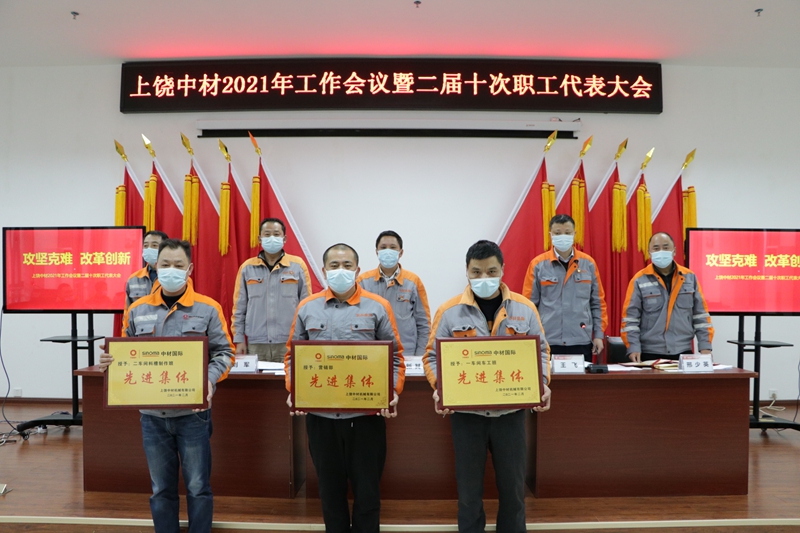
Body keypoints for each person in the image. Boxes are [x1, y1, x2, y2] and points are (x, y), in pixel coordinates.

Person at [98, 239, 234, 533]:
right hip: (152, 417)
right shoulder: (137, 309)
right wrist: (111, 360)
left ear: (190, 268)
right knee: (160, 488)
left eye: (178, 265)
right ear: (155, 267)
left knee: (198, 486)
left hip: (193, 415)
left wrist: (209, 380)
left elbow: (225, 353)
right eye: (165, 264)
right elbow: (126, 353)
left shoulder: (208, 308)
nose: (171, 270)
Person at [423, 240, 551, 533]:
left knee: (514, 492)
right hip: (467, 417)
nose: (484, 278)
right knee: (468, 494)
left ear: (502, 269)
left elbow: (542, 352)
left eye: (491, 271)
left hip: (511, 415)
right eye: (476, 272)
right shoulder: (449, 311)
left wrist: (542, 383)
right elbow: (432, 356)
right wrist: (441, 387)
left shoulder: (525, 308)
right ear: (467, 272)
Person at [285, 243, 404, 533]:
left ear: (357, 270)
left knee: (368, 494)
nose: (341, 271)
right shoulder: (307, 307)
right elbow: (291, 356)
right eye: (334, 266)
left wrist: (391, 392)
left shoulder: (378, 306)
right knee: (330, 493)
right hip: (321, 419)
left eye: (347, 265)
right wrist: (295, 389)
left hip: (366, 418)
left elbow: (395, 357)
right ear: (324, 271)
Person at [522, 214, 607, 363]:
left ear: (574, 234)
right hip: (548, 340)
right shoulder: (538, 265)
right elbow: (528, 306)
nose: (563, 236)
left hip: (581, 340)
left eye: (567, 232)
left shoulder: (588, 263)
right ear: (550, 235)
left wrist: (599, 335)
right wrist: (529, 337)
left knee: (580, 379)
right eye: (558, 233)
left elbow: (598, 303)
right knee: (548, 378)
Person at [621, 232, 714, 362]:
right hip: (649, 353)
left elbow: (701, 316)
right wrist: (633, 347)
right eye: (656, 248)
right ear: (649, 252)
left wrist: (705, 347)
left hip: (683, 351)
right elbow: (630, 319)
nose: (661, 252)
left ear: (674, 251)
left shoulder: (689, 277)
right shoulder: (639, 280)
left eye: (665, 247)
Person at [232, 217, 311, 362]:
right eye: (267, 234)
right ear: (260, 239)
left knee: (289, 377)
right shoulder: (247, 268)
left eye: (276, 234)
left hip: (289, 342)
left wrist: (304, 338)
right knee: (257, 378)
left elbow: (307, 306)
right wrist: (239, 339)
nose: (272, 238)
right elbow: (239, 307)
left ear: (284, 238)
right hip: (256, 343)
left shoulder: (297, 265)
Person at [357, 230, 430, 356]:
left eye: (392, 247)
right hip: (371, 353)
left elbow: (424, 323)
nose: (388, 251)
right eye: (383, 247)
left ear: (401, 252)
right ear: (377, 252)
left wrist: (420, 356)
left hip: (406, 353)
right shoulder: (362, 281)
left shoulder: (413, 281)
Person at [125, 230, 168, 309]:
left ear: (166, 249)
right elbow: (128, 311)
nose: (149, 249)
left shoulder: (175, 276)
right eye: (145, 245)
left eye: (154, 245)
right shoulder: (134, 279)